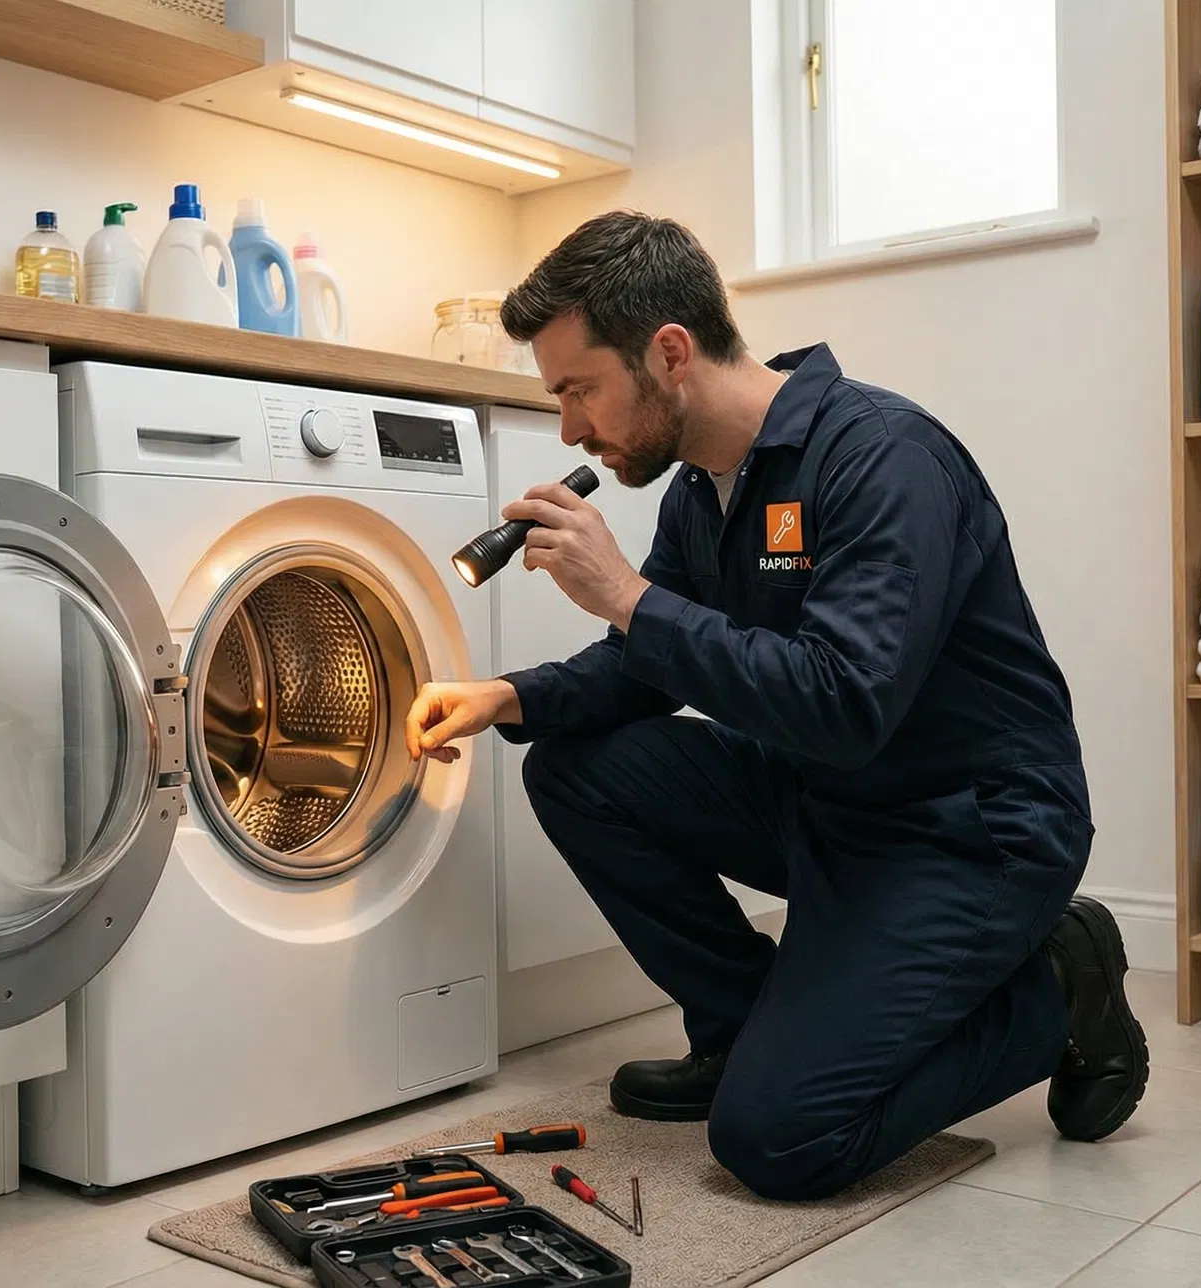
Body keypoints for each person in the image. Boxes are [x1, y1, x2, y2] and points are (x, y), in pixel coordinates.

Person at [403, 211, 1149, 1202]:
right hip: (830, 804)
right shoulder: (703, 492)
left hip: (972, 829)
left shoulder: (882, 457)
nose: (571, 427)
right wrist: (507, 697)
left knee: (778, 1139)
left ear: (669, 352)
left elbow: (845, 701)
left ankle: (1057, 986)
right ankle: (739, 1030)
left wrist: (628, 594)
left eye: (579, 389)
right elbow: (650, 668)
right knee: (576, 764)